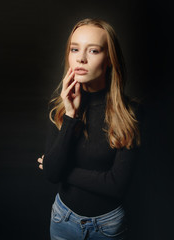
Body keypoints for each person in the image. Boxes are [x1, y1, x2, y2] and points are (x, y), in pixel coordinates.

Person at [37, 18, 142, 240]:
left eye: (93, 51)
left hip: (107, 227)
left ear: (110, 60)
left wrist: (61, 170)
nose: (81, 58)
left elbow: (117, 186)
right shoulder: (59, 107)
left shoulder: (130, 112)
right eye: (75, 49)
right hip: (62, 220)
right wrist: (70, 116)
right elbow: (51, 175)